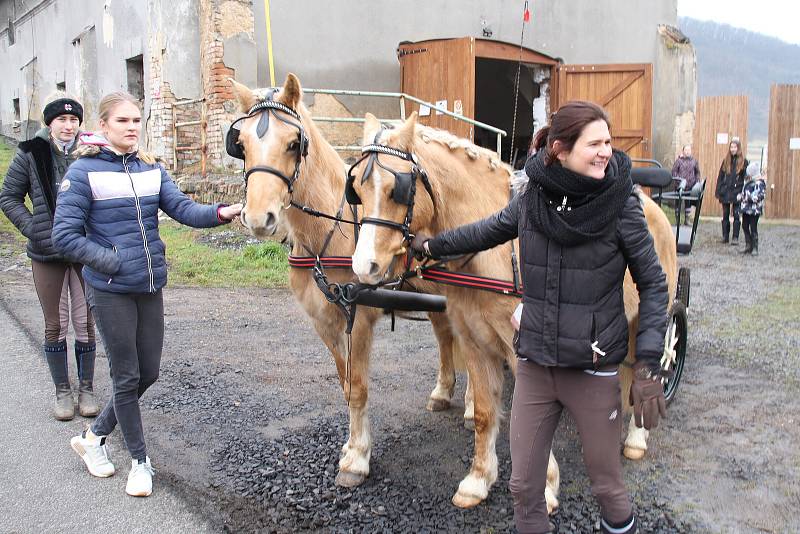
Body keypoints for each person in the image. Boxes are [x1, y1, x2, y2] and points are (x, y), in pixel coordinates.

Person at [412, 101, 668, 534]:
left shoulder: (622, 205)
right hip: (534, 368)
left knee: (607, 487)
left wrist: (646, 363)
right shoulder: (532, 198)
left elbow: (654, 286)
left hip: (592, 369)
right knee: (523, 488)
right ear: (561, 150)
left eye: (609, 142)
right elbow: (486, 229)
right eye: (595, 144)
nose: (606, 151)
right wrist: (431, 247)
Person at [52, 92, 243, 497]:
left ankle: (93, 437)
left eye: (137, 120)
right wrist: (111, 261)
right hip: (109, 290)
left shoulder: (151, 169)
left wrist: (224, 212)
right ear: (103, 126)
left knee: (149, 372)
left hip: (149, 284)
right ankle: (140, 462)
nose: (132, 127)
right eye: (123, 121)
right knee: (126, 376)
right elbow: (64, 236)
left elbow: (184, 210)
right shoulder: (84, 172)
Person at [0, 94, 100, 421]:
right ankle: (62, 390)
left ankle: (86, 388)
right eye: (62, 120)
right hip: (47, 253)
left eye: (74, 121)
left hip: (83, 251)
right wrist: (36, 230)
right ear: (50, 123)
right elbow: (9, 198)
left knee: (85, 321)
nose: (68, 126)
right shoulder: (31, 152)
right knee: (56, 324)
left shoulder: (91, 153)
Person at [715, 140, 748, 245]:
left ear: (738, 148)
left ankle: (735, 238)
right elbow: (720, 177)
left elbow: (746, 179)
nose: (733, 149)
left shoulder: (744, 162)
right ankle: (725, 237)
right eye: (731, 147)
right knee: (725, 215)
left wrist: (743, 193)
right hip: (726, 192)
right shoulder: (726, 161)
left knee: (736, 215)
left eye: (735, 147)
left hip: (737, 192)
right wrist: (718, 191)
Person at [738, 161, 766, 256]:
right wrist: (741, 196)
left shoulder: (760, 183)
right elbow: (745, 193)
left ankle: (755, 247)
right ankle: (748, 245)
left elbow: (758, 197)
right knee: (745, 225)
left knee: (753, 227)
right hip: (746, 209)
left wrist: (746, 198)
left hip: (755, 210)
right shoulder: (748, 182)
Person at [671, 144, 702, 224]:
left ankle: (687, 220)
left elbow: (697, 172)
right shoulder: (678, 161)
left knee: (688, 203)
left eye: (689, 150)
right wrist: (679, 181)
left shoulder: (694, 161)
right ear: (683, 151)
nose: (687, 152)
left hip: (690, 186)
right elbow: (674, 172)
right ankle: (677, 221)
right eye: (686, 150)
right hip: (679, 186)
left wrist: (697, 181)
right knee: (678, 203)